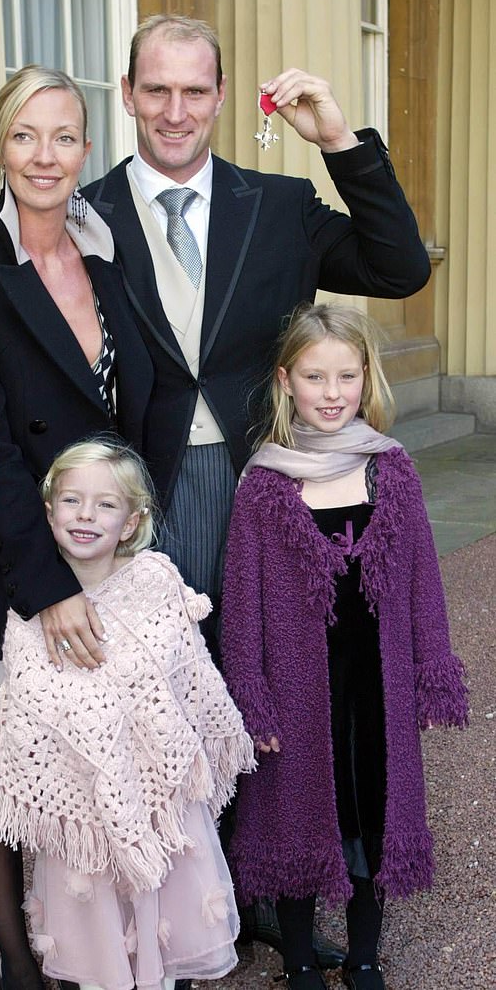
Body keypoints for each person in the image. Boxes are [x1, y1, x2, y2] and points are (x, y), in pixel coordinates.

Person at [0, 12, 432, 969]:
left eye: (194, 90)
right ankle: (147, 914)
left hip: (265, 491)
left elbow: (400, 268)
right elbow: (13, 344)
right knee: (148, 701)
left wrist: (338, 140)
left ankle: (263, 891)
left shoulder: (282, 205)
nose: (174, 110)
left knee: (263, 696)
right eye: (154, 90)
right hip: (134, 500)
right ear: (126, 96)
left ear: (218, 96)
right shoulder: (85, 207)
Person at [0, 67, 153, 990]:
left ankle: (90, 941)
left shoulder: (108, 257)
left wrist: (138, 526)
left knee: (87, 753)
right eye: (25, 136)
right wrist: (46, 587)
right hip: (11, 548)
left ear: (86, 151)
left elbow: (143, 394)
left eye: (63, 137)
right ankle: (20, 964)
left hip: (109, 544)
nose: (45, 156)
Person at [219, 302, 469, 990]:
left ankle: (363, 955)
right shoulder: (265, 485)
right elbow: (243, 603)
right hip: (297, 694)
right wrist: (253, 700)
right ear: (285, 381)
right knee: (295, 820)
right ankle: (299, 956)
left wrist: (428, 671)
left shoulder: (391, 472)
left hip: (377, 688)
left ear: (368, 380)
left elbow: (423, 582)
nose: (332, 393)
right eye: (315, 376)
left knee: (373, 820)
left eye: (347, 376)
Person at [0, 437, 256, 990]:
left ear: (131, 522)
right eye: (71, 501)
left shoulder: (156, 584)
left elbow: (192, 683)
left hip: (163, 805)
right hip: (83, 812)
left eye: (105, 504)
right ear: (48, 511)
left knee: (165, 933)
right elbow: (26, 713)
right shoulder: (32, 608)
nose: (86, 515)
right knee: (98, 948)